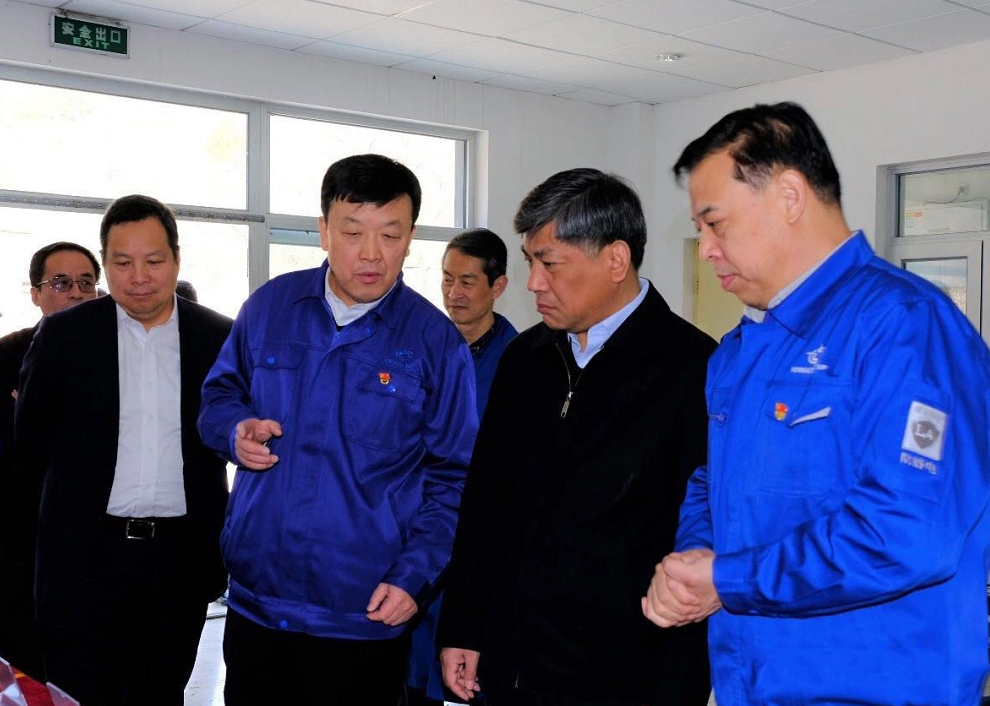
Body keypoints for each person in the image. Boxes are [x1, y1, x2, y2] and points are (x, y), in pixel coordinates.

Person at [642, 102, 990, 706]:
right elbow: (713, 479)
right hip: (750, 681)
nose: (705, 250)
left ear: (789, 196)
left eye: (715, 224)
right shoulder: (741, 350)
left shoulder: (905, 327)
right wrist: (696, 555)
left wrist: (728, 579)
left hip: (875, 688)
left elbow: (907, 530)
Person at [198, 153, 478, 705]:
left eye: (390, 235)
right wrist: (234, 431)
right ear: (324, 230)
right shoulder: (271, 307)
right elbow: (217, 398)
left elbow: (457, 478)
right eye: (352, 232)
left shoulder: (435, 342)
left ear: (410, 238)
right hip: (258, 602)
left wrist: (414, 577)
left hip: (364, 612)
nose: (371, 253)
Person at [438, 168, 715, 706]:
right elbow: (484, 506)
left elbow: (700, 537)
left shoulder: (694, 370)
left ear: (615, 260)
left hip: (628, 675)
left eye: (550, 263)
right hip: (513, 664)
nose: (533, 283)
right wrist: (464, 625)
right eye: (530, 262)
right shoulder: (525, 360)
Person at [14, 195, 232, 706]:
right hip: (85, 560)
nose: (139, 278)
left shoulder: (218, 336)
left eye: (153, 261)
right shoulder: (65, 336)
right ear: (105, 264)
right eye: (122, 263)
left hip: (178, 561)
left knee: (162, 692)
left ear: (176, 259)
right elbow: (29, 454)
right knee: (79, 693)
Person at [407, 228, 518, 705]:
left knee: (471, 665)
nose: (454, 292)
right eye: (447, 279)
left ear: (498, 286)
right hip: (420, 521)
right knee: (411, 668)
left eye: (468, 281)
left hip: (482, 529)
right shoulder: (421, 347)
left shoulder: (522, 360)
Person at [0, 242, 100, 678]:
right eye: (61, 283)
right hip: (22, 536)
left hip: (98, 539)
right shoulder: (8, 355)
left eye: (86, 283)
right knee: (27, 663)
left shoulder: (119, 355)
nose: (76, 292)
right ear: (35, 294)